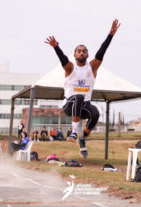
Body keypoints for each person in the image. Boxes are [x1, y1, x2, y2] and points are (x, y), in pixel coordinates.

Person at [45, 19, 120, 158]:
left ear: (88, 54)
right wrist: (56, 47)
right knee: (78, 96)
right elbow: (63, 60)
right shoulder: (71, 67)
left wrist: (110, 35)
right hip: (69, 105)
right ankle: (73, 132)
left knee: (96, 113)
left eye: (84, 51)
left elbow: (101, 52)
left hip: (85, 105)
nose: (82, 53)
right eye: (79, 51)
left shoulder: (92, 67)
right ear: (74, 55)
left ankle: (82, 138)